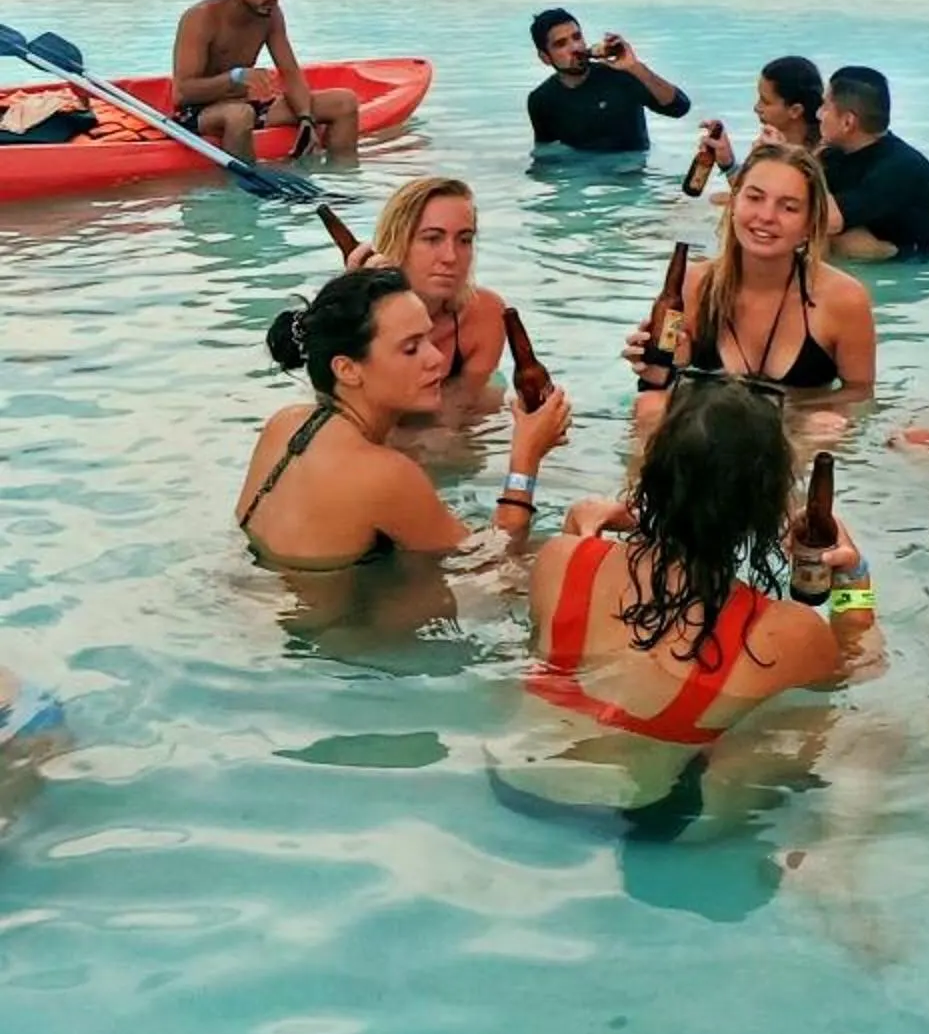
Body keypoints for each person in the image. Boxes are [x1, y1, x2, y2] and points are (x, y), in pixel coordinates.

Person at [526, 380, 870, 749]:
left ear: (651, 475)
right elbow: (859, 671)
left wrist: (651, 517)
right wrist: (855, 579)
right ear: (767, 508)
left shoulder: (559, 557)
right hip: (621, 806)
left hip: (512, 783)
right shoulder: (788, 635)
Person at [235, 269, 571, 569]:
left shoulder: (287, 423)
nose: (436, 358)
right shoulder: (384, 474)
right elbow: (490, 558)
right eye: (411, 348)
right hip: (338, 631)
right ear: (347, 369)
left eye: (427, 338)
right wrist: (525, 459)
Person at [625, 143, 873, 430]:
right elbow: (658, 383)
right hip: (709, 427)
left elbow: (860, 394)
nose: (766, 216)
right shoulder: (694, 283)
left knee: (826, 426)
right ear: (733, 203)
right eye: (755, 198)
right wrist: (658, 368)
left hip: (791, 429)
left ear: (809, 224)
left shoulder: (843, 298)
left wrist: (781, 412)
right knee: (649, 409)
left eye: (789, 207)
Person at [171, 0, 362, 162]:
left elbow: (290, 73)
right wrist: (236, 77)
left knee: (344, 102)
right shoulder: (201, 17)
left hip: (245, 106)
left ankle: (340, 180)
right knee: (240, 115)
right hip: (198, 113)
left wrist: (306, 118)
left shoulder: (270, 15)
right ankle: (243, 194)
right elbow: (183, 92)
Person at [356, 177, 507, 397]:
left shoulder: (484, 313)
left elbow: (465, 412)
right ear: (398, 242)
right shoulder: (358, 316)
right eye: (432, 239)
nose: (450, 256)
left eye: (464, 240)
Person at [818, 65, 929, 259]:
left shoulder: (900, 168)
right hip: (878, 248)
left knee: (841, 240)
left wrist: (810, 166)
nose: (819, 114)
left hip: (913, 265)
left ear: (848, 122)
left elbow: (828, 220)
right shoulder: (839, 153)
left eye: (825, 107)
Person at [526, 8, 691, 156]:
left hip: (631, 177)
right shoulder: (542, 99)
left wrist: (635, 67)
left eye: (577, 37)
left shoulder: (620, 75)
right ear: (545, 57)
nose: (575, 47)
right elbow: (545, 155)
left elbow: (680, 107)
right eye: (561, 44)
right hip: (581, 177)